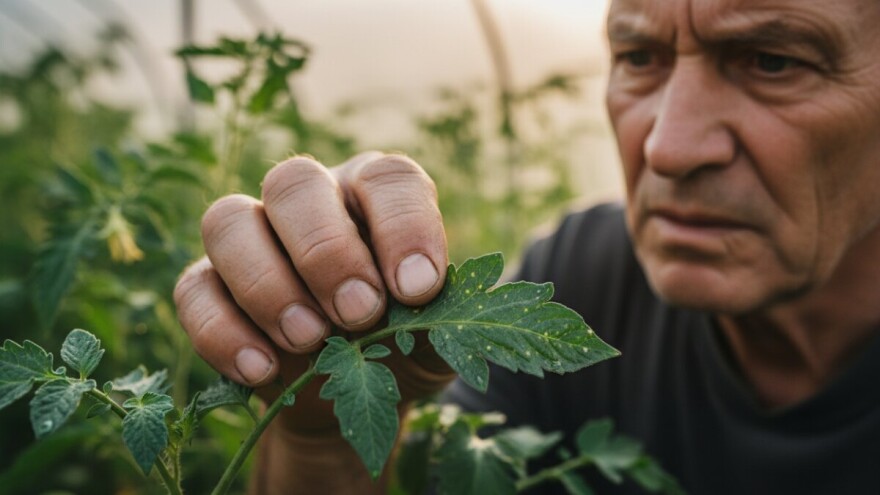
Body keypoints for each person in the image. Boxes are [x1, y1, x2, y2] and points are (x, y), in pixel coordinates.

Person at [173, 0, 880, 493]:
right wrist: (319, 439)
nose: (667, 146)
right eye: (638, 56)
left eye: (773, 61)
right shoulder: (583, 276)